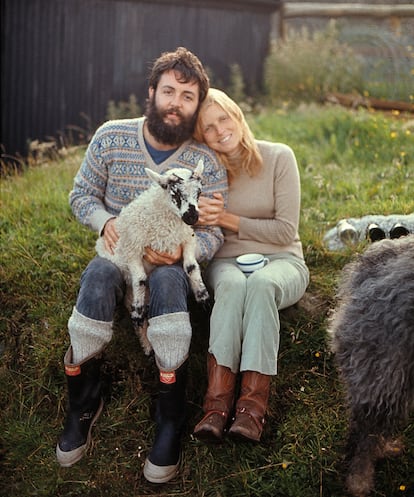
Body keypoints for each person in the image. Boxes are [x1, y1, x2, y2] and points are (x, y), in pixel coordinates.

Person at [55, 48, 228, 484]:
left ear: (196, 105)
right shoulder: (111, 136)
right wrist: (106, 221)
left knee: (170, 281)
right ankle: (82, 403)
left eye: (187, 96)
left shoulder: (203, 164)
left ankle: (169, 415)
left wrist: (185, 252)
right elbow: (81, 196)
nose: (175, 102)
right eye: (168, 90)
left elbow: (212, 231)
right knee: (97, 276)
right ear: (151, 93)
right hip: (118, 254)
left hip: (169, 263)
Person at [192, 88, 309, 443]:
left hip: (283, 259)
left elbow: (286, 230)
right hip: (226, 261)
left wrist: (227, 218)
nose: (219, 130)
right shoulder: (207, 172)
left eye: (223, 118)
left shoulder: (279, 157)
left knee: (261, 285)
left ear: (238, 115)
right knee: (232, 286)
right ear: (201, 137)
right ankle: (215, 408)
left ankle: (251, 411)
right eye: (207, 128)